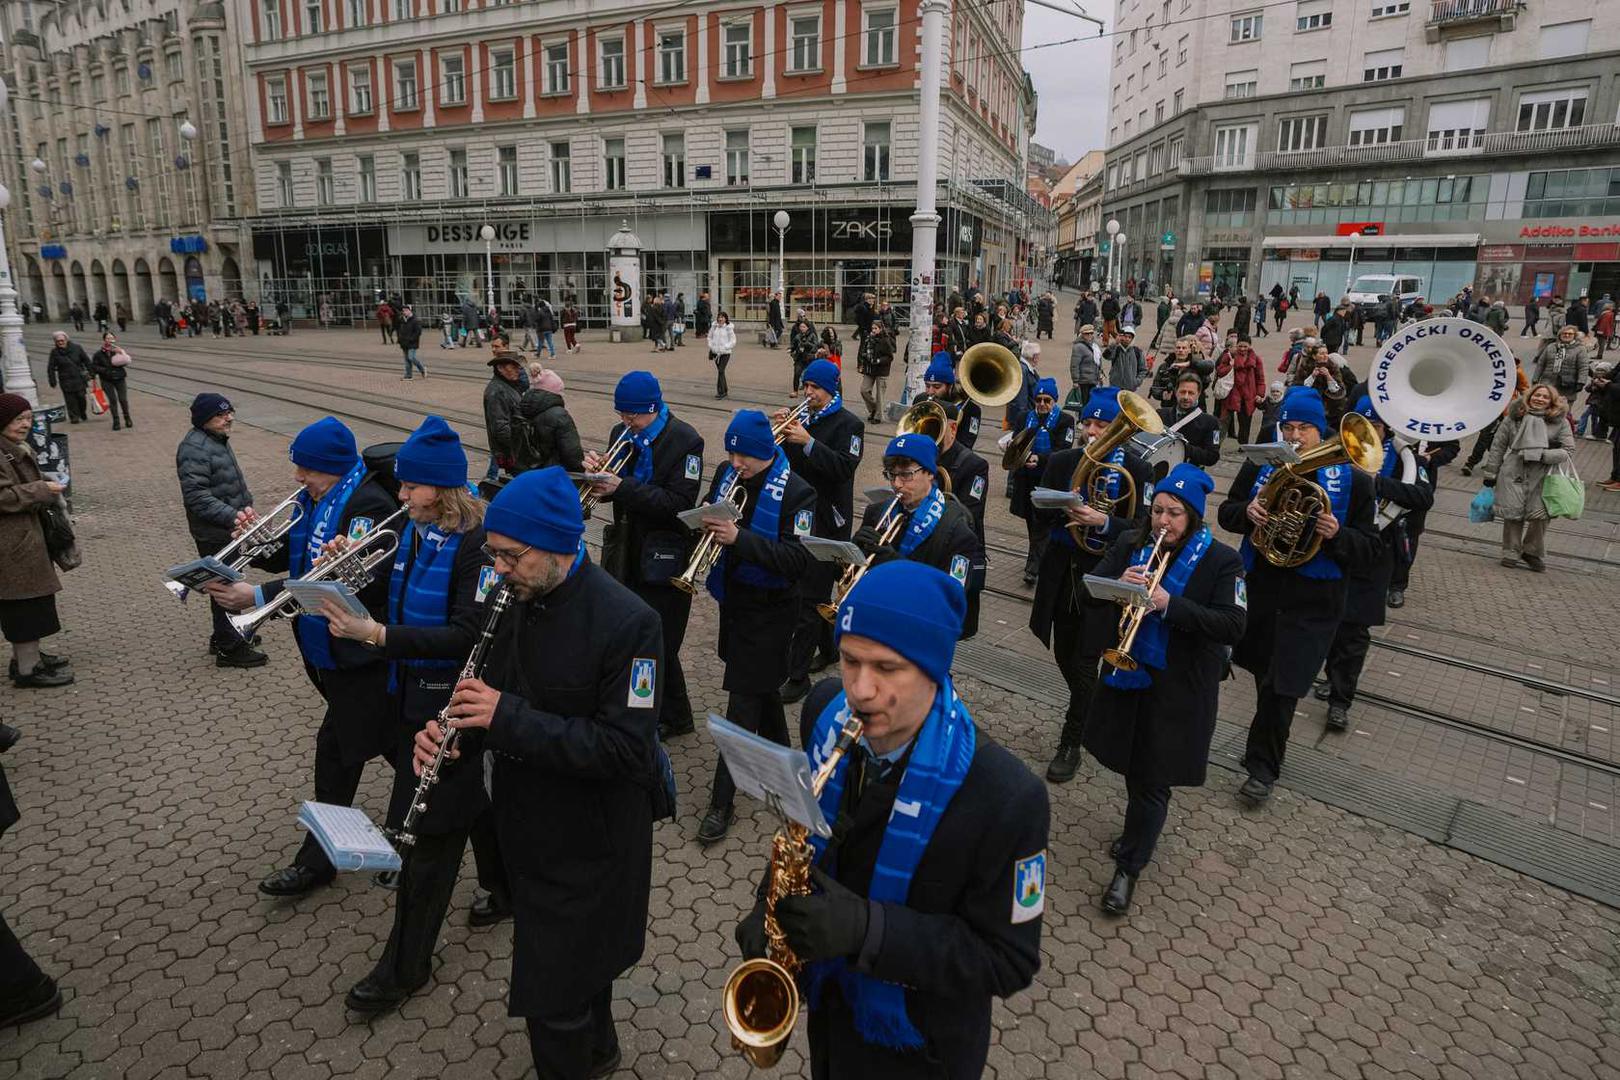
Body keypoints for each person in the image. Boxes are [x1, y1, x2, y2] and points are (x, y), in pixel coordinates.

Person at [733, 560, 1048, 1080]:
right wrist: (766, 902)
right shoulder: (825, 711)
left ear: (933, 668)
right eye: (850, 660)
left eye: (887, 667)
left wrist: (869, 931)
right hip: (831, 1010)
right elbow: (802, 827)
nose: (860, 690)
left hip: (919, 1049)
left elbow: (1008, 960)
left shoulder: (1007, 796)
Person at [410, 466, 662, 1077]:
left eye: (509, 556)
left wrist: (504, 717)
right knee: (579, 974)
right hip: (529, 830)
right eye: (493, 555)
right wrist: (455, 736)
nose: (497, 569)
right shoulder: (514, 596)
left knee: (553, 999)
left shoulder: (630, 623)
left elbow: (626, 751)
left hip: (591, 846)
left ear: (556, 546)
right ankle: (600, 1051)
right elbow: (491, 692)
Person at [310, 417, 508, 1011]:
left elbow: (468, 633)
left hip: (452, 706)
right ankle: (505, 889)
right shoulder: (413, 527)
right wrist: (346, 570)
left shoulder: (477, 545)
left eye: (411, 486)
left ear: (442, 490)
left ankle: (405, 967)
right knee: (473, 805)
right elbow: (387, 596)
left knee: (428, 844)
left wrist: (377, 636)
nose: (400, 495)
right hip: (408, 697)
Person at [205, 418, 399, 895]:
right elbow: (298, 555)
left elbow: (344, 580)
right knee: (399, 747)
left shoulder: (367, 505)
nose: (298, 477)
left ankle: (319, 862)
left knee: (337, 755)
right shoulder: (317, 499)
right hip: (326, 652)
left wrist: (258, 596)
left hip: (361, 657)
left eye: (307, 469)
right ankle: (442, 825)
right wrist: (257, 543)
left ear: (333, 467)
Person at [1083, 465, 1245, 914]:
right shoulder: (1130, 543)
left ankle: (1129, 870)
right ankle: (1136, 834)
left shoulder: (1223, 561)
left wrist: (1170, 604)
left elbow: (1233, 624)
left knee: (1152, 779)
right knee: (1134, 768)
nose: (1163, 522)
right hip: (1129, 675)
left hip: (1179, 688)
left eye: (1174, 513)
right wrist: (1119, 586)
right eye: (1157, 511)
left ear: (1192, 516)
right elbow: (1091, 588)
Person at [1218, 387, 1380, 804]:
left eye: (1303, 428)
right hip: (1264, 589)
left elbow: (1371, 550)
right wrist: (1247, 512)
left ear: (1320, 430)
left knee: (1284, 684)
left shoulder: (1355, 480)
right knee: (1266, 676)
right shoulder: (1262, 465)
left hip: (1315, 598)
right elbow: (1226, 513)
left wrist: (1338, 534)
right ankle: (1265, 745)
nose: (1293, 436)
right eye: (1287, 427)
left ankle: (1263, 769)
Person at [695, 410, 817, 845]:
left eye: (743, 455)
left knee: (742, 705)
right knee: (762, 689)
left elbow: (797, 561)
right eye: (731, 453)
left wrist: (738, 539)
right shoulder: (727, 476)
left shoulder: (798, 492)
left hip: (772, 611)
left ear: (765, 451)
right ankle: (788, 772)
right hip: (736, 602)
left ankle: (721, 803)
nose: (735, 462)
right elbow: (710, 510)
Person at [1028, 386, 1152, 782]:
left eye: (1103, 425)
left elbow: (1144, 528)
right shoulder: (1063, 460)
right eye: (1089, 423)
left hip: (1104, 576)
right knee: (1065, 654)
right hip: (1063, 574)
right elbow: (1037, 517)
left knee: (1085, 661)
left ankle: (1071, 741)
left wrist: (1104, 521)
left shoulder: (1138, 470)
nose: (1094, 432)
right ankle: (1097, 709)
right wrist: (1059, 505)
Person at [588, 372, 705, 739]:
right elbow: (616, 491)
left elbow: (679, 503)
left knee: (662, 641)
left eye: (633, 415)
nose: (627, 421)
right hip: (626, 548)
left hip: (665, 553)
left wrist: (622, 487)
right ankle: (668, 713)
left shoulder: (686, 440)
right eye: (622, 414)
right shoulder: (620, 433)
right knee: (638, 636)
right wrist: (599, 480)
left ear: (653, 408)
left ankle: (673, 716)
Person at [1315, 398, 1435, 730]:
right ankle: (1330, 676)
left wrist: (1374, 481)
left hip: (1376, 552)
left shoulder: (1405, 458)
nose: (1368, 433)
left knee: (1354, 631)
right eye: (1360, 427)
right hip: (1337, 547)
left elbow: (1424, 497)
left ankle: (1340, 700)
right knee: (1330, 621)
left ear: (1386, 429)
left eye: (1376, 427)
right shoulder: (1336, 451)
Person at [779, 360, 866, 703]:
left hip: (829, 520)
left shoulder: (850, 424)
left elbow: (843, 468)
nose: (808, 393)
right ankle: (829, 649)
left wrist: (809, 442)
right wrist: (780, 433)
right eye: (806, 386)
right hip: (798, 516)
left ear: (830, 390)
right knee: (810, 592)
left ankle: (797, 676)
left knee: (809, 598)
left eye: (814, 387)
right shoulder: (802, 418)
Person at [176, 393, 267, 668]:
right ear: (204, 419)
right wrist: (234, 515)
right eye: (221, 414)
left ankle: (224, 636)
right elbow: (197, 497)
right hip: (215, 531)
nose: (229, 418)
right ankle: (230, 648)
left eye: (230, 412)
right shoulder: (194, 448)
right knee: (226, 587)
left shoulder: (215, 440)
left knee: (225, 583)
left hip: (227, 527)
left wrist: (246, 504)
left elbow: (228, 482)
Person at [852, 434, 981, 614]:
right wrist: (852, 553)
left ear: (930, 473)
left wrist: (896, 565)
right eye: (891, 475)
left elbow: (950, 598)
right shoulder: (876, 512)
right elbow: (848, 578)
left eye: (906, 475)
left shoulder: (958, 531)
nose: (897, 484)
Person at [0, 395, 74, 689]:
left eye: (28, 418)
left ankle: (25, 657)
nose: (25, 424)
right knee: (24, 606)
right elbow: (3, 496)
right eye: (18, 419)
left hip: (23, 539)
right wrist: (41, 489)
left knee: (31, 603)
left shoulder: (13, 447)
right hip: (12, 545)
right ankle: (28, 670)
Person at [1481, 384, 1574, 573]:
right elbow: (1498, 446)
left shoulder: (1560, 421)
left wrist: (1543, 455)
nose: (1539, 399)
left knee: (1541, 515)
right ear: (1529, 396)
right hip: (1513, 470)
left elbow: (1568, 450)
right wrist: (1491, 473)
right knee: (1513, 513)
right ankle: (1511, 551)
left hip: (1543, 473)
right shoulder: (1513, 417)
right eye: (1536, 395)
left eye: (1545, 397)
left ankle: (1531, 551)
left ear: (1551, 401)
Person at [1009, 378, 1076, 585]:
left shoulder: (1065, 420)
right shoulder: (1023, 417)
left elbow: (1063, 450)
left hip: (1049, 480)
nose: (1042, 404)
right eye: (1038, 400)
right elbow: (1016, 442)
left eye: (1047, 400)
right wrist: (1019, 454)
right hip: (1026, 480)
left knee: (1042, 525)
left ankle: (1033, 568)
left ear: (1055, 401)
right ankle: (1038, 558)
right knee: (1032, 523)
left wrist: (1040, 459)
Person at [512, 367, 584, 474]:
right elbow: (572, 452)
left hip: (525, 471)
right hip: (552, 473)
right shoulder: (560, 415)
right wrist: (581, 470)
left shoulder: (521, 406)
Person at [922, 351, 982, 450]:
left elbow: (967, 444)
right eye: (927, 386)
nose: (930, 392)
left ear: (949, 386)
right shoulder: (923, 401)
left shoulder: (971, 410)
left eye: (937, 387)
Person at [1159, 373, 1221, 466]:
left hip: (1187, 470)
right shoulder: (1160, 414)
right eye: (1182, 392)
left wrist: (1184, 447)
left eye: (1191, 393)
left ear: (1198, 394)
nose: (1186, 397)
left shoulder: (1212, 423)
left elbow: (1213, 456)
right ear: (1176, 392)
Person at [1213, 336, 1265, 446]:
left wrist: (1260, 394)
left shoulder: (1256, 359)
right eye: (1240, 346)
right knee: (1220, 424)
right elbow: (1220, 371)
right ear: (1236, 345)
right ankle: (1214, 445)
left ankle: (1243, 446)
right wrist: (1230, 366)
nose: (1242, 349)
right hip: (1230, 395)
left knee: (1245, 425)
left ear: (1250, 346)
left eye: (1245, 346)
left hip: (1247, 397)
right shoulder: (1228, 356)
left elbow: (1260, 378)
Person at [482, 351, 526, 481]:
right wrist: (521, 448)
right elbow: (501, 428)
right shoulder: (497, 391)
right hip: (515, 454)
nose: (518, 370)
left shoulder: (508, 385)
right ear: (500, 368)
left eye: (518, 366)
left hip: (517, 452)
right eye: (513, 367)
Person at [1531, 324, 1591, 405]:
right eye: (1564, 333)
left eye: (1570, 334)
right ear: (1560, 335)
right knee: (1546, 406)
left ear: (1574, 336)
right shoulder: (1551, 347)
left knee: (1563, 409)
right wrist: (1535, 378)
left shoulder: (1580, 349)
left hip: (1567, 385)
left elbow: (1583, 367)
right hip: (1548, 382)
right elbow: (1541, 364)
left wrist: (1581, 382)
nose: (1567, 335)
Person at [91, 332, 134, 430]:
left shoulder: (118, 350)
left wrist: (121, 354)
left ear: (114, 339)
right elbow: (94, 366)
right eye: (107, 338)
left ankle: (127, 418)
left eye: (111, 338)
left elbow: (126, 362)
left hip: (119, 378)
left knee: (123, 399)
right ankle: (116, 421)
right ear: (104, 340)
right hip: (106, 380)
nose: (110, 340)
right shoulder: (98, 354)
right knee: (113, 400)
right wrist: (105, 370)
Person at [46, 332, 93, 424]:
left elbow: (86, 360)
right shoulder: (54, 352)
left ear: (66, 340)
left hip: (79, 377)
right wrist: (52, 380)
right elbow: (50, 368)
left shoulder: (77, 348)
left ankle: (82, 412)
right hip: (65, 379)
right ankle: (74, 416)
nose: (60, 342)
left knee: (81, 397)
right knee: (70, 399)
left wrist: (91, 372)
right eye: (58, 341)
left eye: (62, 340)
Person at [857, 323, 896, 423]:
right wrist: (861, 364)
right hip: (869, 369)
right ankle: (874, 409)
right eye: (872, 328)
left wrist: (879, 360)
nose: (873, 330)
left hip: (881, 370)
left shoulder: (885, 340)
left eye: (876, 328)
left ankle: (878, 417)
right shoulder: (868, 339)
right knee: (864, 390)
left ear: (880, 329)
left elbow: (890, 357)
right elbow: (862, 352)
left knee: (880, 395)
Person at [1070, 324, 1102, 408]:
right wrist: (1075, 381)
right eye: (1087, 334)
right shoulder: (1078, 347)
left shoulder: (1094, 346)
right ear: (1082, 334)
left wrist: (1100, 374)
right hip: (1083, 381)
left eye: (1091, 333)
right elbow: (1074, 365)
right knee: (1084, 404)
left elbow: (1098, 362)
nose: (1089, 335)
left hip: (1094, 380)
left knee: (1092, 403)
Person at [1105, 326, 1146, 391]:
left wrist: (1136, 382)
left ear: (1132, 339)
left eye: (1129, 337)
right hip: (1115, 386)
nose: (1127, 339)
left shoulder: (1137, 352)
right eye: (1125, 336)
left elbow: (1143, 369)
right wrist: (1115, 343)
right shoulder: (1116, 349)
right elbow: (1106, 356)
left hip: (1130, 388)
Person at [709, 311, 738, 399]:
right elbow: (709, 337)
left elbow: (733, 341)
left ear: (725, 319)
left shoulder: (728, 328)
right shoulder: (714, 327)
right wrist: (712, 346)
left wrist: (725, 347)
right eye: (719, 317)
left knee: (721, 370)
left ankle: (721, 391)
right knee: (721, 372)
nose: (720, 319)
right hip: (715, 353)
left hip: (725, 353)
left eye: (722, 317)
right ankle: (724, 390)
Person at [789, 317, 819, 390]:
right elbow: (793, 345)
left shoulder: (812, 335)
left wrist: (807, 344)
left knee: (809, 375)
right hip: (799, 357)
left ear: (807, 327)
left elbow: (815, 346)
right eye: (801, 327)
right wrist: (791, 350)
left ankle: (808, 388)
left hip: (809, 358)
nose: (802, 328)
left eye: (804, 327)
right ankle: (795, 390)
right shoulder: (798, 336)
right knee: (797, 373)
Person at [397, 305, 426, 379]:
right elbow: (400, 330)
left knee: (411, 357)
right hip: (404, 342)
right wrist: (399, 339)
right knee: (406, 359)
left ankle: (422, 369)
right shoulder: (402, 320)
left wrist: (411, 339)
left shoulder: (415, 320)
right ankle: (408, 375)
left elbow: (418, 332)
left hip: (412, 343)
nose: (404, 312)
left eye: (406, 310)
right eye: (403, 311)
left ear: (410, 311)